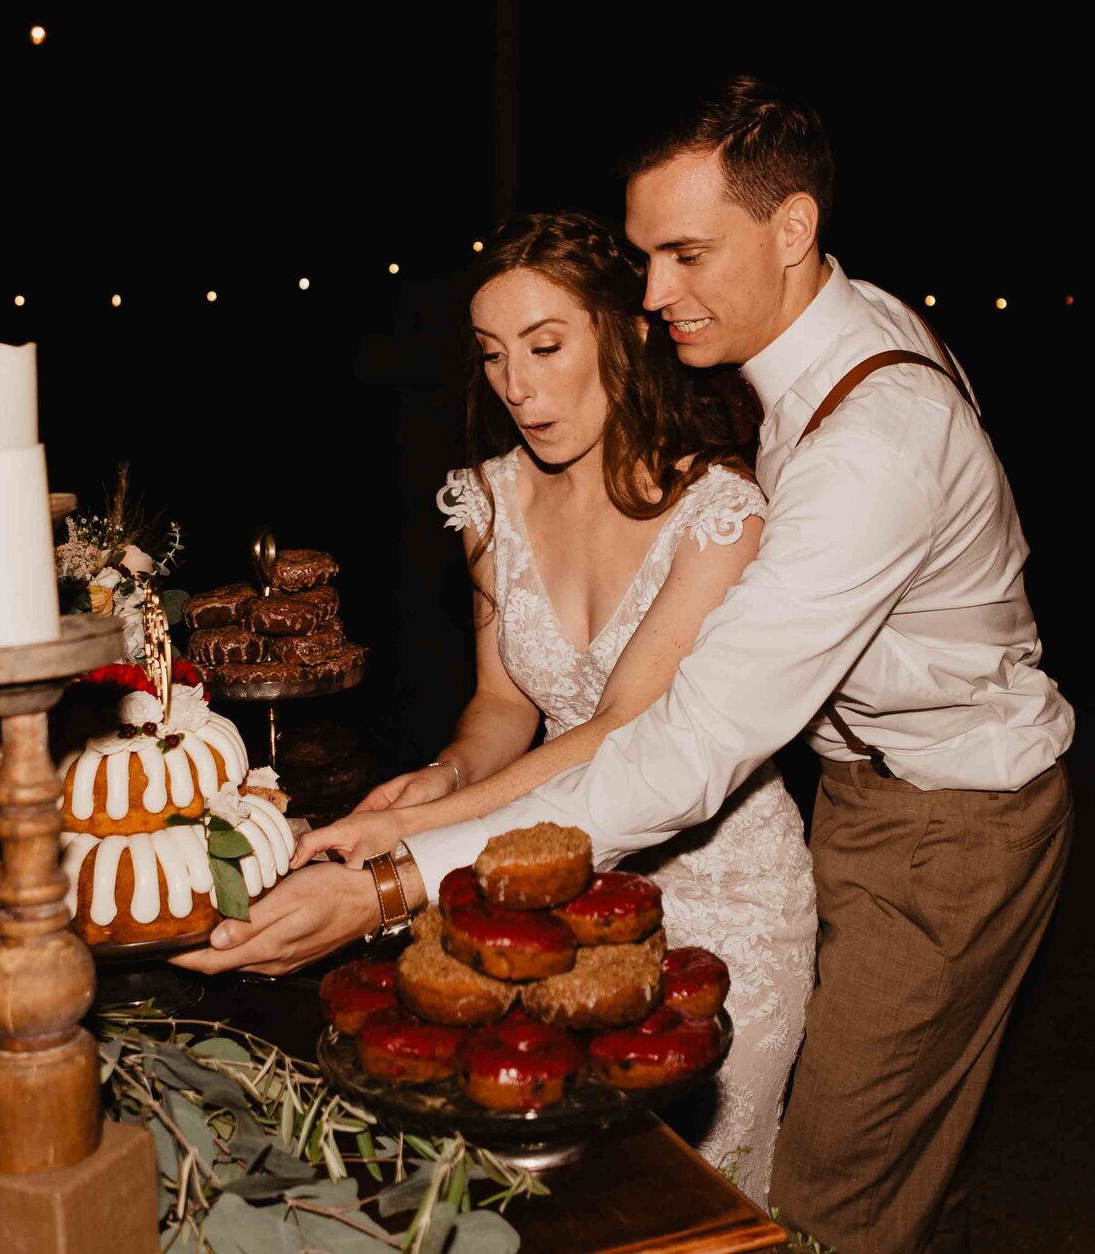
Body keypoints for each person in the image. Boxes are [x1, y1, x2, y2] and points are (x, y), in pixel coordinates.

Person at [181, 77, 1075, 1254]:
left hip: (953, 817)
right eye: (646, 256)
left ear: (793, 229)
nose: (654, 293)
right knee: (912, 1153)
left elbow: (683, 747)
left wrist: (396, 882)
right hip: (864, 798)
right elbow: (516, 706)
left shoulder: (867, 447)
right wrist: (448, 777)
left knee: (829, 1200)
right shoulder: (843, 333)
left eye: (687, 254)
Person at [304, 209, 814, 1199]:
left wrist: (411, 834)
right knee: (558, 1198)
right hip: (557, 910)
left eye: (544, 345)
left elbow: (620, 724)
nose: (517, 386)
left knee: (698, 1202)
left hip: (727, 907)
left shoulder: (718, 508)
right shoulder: (488, 498)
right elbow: (503, 703)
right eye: (493, 355)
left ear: (626, 331)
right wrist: (449, 770)